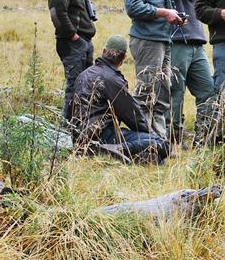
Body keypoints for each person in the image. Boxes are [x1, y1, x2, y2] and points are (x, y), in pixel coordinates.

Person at [121, 0, 186, 139]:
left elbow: (158, 4)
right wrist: (164, 13)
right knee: (146, 92)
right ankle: (142, 140)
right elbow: (133, 6)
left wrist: (173, 16)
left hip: (163, 39)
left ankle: (159, 140)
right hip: (147, 40)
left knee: (162, 92)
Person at [71, 35, 169, 164]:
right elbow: (132, 115)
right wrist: (151, 134)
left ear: (104, 51)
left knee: (155, 158)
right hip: (102, 135)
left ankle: (112, 153)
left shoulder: (83, 75)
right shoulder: (112, 80)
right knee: (161, 144)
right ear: (123, 58)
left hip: (79, 136)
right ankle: (118, 148)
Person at [162, 0, 217, 143]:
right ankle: (172, 139)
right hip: (177, 44)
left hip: (197, 46)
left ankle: (203, 137)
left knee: (208, 91)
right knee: (176, 92)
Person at [48, 0, 96, 120]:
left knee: (85, 85)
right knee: (75, 85)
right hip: (73, 43)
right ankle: (69, 124)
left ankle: (81, 121)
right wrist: (72, 35)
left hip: (83, 42)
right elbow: (57, 13)